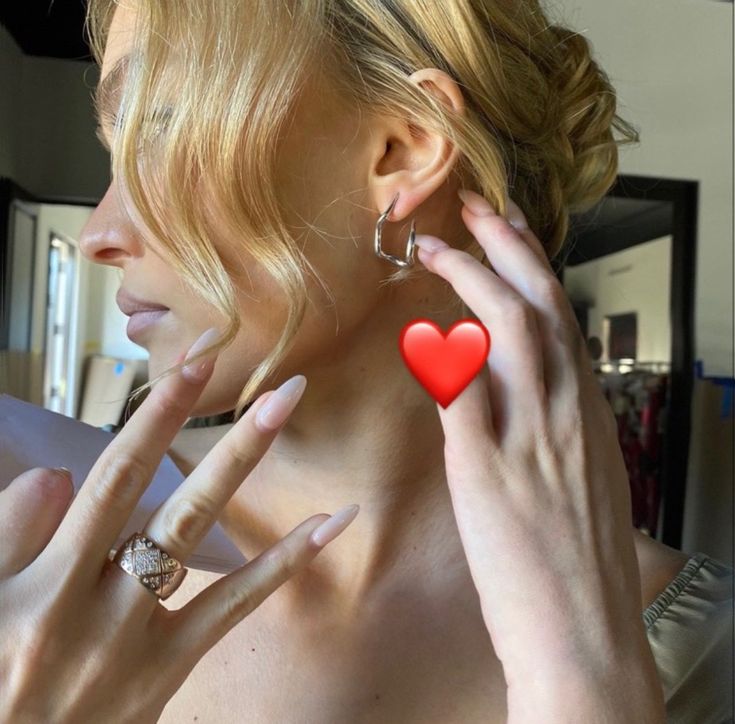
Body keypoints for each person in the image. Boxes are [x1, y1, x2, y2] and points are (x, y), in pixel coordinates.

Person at [1, 0, 731, 721]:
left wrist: (586, 675)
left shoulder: (702, 646)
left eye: (160, 129)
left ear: (403, 149)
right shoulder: (26, 536)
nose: (100, 233)